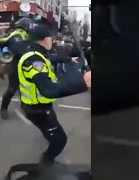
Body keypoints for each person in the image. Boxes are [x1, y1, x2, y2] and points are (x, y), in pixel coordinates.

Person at [17, 24, 91, 163]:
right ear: (46, 39)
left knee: (52, 131)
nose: (52, 41)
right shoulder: (33, 61)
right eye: (51, 38)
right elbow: (50, 90)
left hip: (41, 107)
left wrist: (68, 59)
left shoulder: (36, 54)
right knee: (60, 140)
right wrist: (84, 83)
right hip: (37, 110)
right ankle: (45, 162)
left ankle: (49, 136)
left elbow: (51, 59)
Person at [0, 17, 33, 120]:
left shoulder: (25, 35)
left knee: (24, 88)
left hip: (22, 64)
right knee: (12, 88)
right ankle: (3, 108)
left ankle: (25, 107)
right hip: (14, 65)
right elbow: (21, 50)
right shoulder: (17, 34)